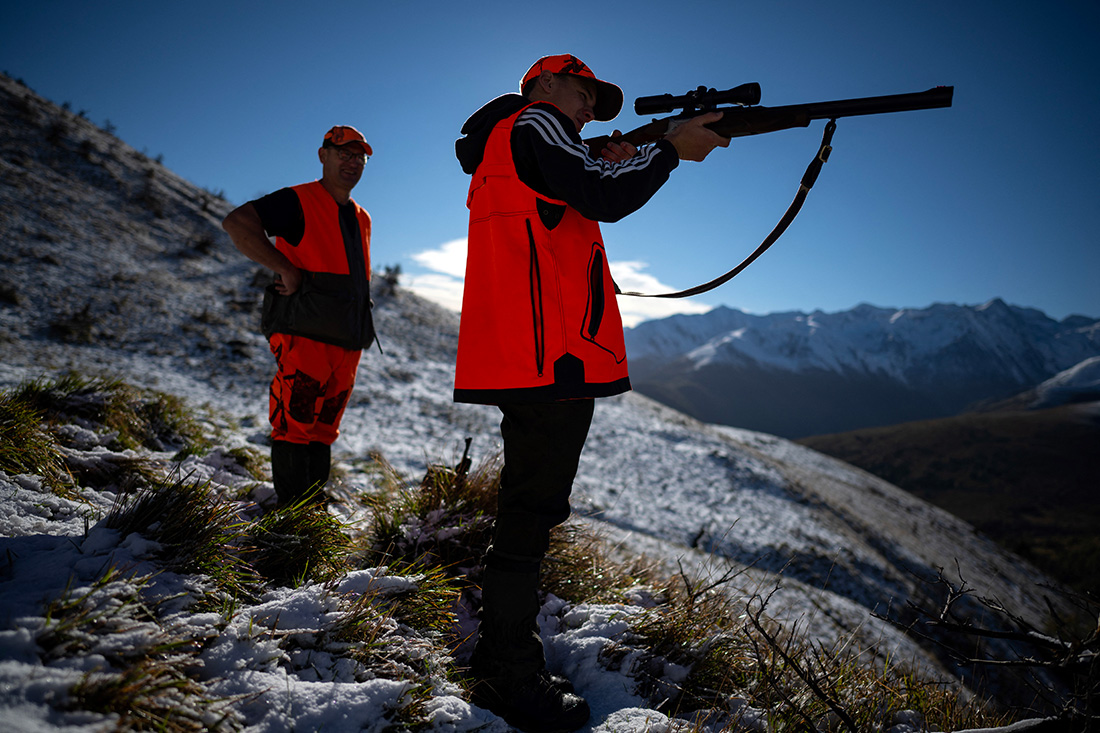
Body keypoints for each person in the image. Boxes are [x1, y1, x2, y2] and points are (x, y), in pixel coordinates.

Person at [453, 54, 728, 731]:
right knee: (530, 512)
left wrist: (617, 157)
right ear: (545, 84)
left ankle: (505, 655)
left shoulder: (512, 140)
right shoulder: (535, 121)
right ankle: (506, 673)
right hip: (550, 354)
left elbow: (576, 195)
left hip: (531, 349)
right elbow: (603, 197)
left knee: (528, 508)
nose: (586, 109)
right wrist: (670, 149)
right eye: (582, 93)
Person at [222, 125, 377, 507]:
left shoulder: (362, 218)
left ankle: (311, 508)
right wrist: (284, 268)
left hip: (348, 342)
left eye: (359, 157)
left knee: (324, 429)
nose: (352, 162)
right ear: (323, 155)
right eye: (344, 154)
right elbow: (237, 223)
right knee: (294, 424)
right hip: (304, 335)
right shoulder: (299, 200)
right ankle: (293, 516)